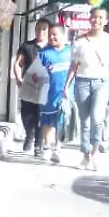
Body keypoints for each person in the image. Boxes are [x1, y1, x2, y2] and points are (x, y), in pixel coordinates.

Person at [63, 8, 109, 169]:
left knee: (97, 118)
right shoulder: (80, 41)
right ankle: (85, 154)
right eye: (94, 17)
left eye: (101, 18)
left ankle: (95, 152)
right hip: (82, 81)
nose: (97, 20)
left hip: (102, 82)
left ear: (105, 21)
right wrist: (66, 85)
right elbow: (74, 66)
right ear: (90, 19)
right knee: (85, 120)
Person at [13, 18, 51, 156]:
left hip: (45, 88)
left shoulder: (51, 48)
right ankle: (29, 135)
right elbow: (18, 63)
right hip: (28, 86)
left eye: (44, 29)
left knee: (41, 115)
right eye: (38, 28)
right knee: (26, 115)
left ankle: (38, 145)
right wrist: (19, 78)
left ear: (48, 31)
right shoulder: (27, 46)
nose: (40, 31)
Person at [37, 23, 71, 166]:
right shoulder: (44, 53)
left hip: (65, 93)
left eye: (55, 34)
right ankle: (47, 146)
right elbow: (36, 73)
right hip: (48, 94)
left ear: (63, 35)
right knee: (47, 121)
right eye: (50, 34)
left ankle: (58, 147)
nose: (51, 37)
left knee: (61, 121)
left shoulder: (71, 51)